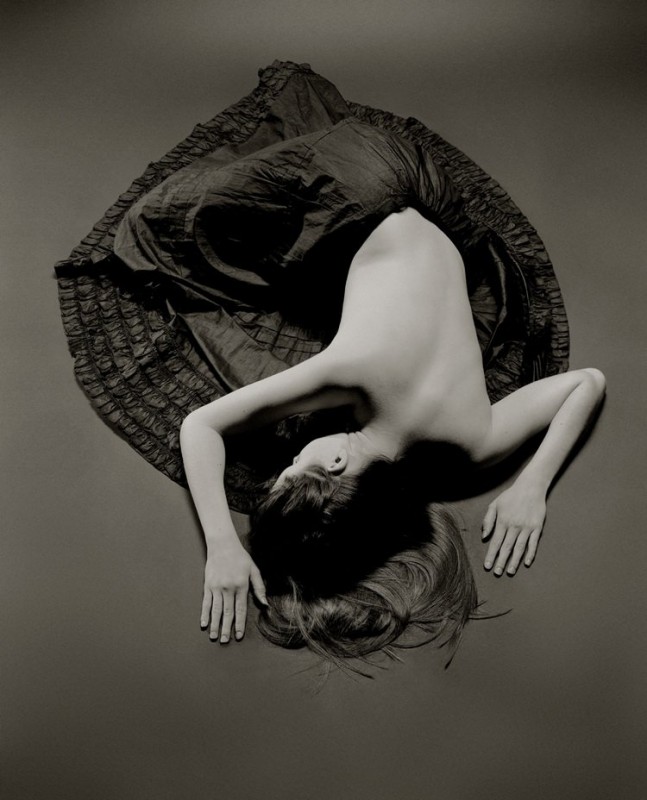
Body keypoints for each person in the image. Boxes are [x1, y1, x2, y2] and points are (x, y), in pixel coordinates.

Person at [55, 61, 604, 668]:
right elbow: (199, 425)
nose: (293, 457)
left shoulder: (473, 442)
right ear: (338, 463)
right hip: (367, 181)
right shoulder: (353, 370)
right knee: (155, 228)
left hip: (442, 205)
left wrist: (532, 484)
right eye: (297, 465)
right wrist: (221, 544)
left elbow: (586, 384)